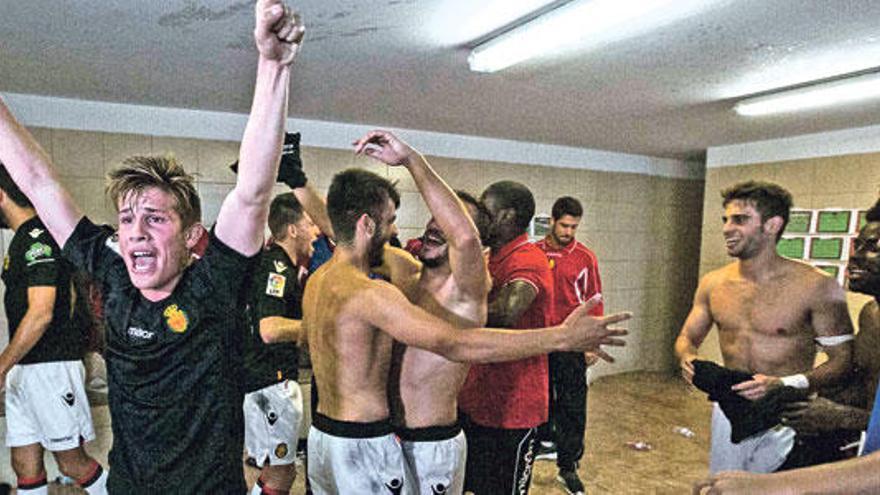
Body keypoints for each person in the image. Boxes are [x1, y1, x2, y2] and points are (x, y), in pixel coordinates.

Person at [0, 1, 304, 491]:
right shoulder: (112, 270)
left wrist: (273, 65)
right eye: (126, 219)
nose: (135, 231)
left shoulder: (214, 284)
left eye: (154, 218)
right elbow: (37, 181)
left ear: (189, 237)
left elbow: (251, 192)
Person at [303, 134, 630, 494]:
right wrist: (298, 181)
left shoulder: (467, 292)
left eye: (451, 220)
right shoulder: (402, 270)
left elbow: (465, 247)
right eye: (434, 215)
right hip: (385, 439)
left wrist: (412, 159)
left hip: (432, 444)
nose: (435, 224)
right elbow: (350, 233)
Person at [694, 199, 880, 493]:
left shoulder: (812, 287)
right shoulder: (872, 315)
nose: (854, 257)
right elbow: (854, 379)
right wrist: (786, 391)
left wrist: (840, 417)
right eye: (857, 245)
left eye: (874, 248)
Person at [675, 181, 854, 474]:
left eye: (740, 219)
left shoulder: (817, 286)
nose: (727, 228)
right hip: (729, 408)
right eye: (726, 219)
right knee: (723, 487)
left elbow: (843, 361)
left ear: (772, 225)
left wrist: (784, 383)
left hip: (783, 414)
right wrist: (687, 359)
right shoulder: (713, 283)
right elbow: (686, 338)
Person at [0, 166, 108, 494]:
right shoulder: (22, 239)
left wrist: (1, 365)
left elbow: (41, 312)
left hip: (51, 367)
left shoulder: (38, 237)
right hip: (27, 368)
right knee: (24, 461)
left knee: (71, 462)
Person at [458, 180, 557, 494]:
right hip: (478, 401)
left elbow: (504, 313)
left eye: (487, 211)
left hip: (514, 408)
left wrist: (444, 310)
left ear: (507, 216)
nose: (481, 219)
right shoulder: (492, 257)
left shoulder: (528, 258)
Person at [535, 196, 605, 495]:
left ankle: (568, 466)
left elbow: (595, 301)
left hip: (573, 340)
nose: (569, 232)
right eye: (564, 225)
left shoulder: (585, 257)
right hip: (538, 338)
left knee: (573, 404)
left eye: (574, 226)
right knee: (538, 397)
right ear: (551, 221)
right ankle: (539, 443)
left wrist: (592, 343)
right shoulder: (533, 252)